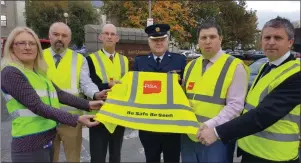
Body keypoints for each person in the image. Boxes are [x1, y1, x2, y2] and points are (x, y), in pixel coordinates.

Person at [197, 17, 301, 163]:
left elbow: (263, 115)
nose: (271, 42)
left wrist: (217, 132)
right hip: (252, 151)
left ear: (290, 42)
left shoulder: (296, 74)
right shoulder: (266, 67)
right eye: (267, 37)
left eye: (277, 38)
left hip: (275, 156)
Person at [1, 26, 103, 163]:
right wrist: (77, 119)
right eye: (21, 43)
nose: (27, 47)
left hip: (46, 138)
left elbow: (59, 94)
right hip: (29, 143)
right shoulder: (11, 72)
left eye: (32, 43)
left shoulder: (37, 73)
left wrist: (89, 103)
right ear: (12, 47)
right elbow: (37, 106)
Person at [181, 21, 248, 163]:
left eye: (212, 37)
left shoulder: (235, 66)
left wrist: (210, 127)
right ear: (198, 41)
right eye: (203, 38)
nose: (208, 41)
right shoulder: (190, 66)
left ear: (220, 39)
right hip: (188, 135)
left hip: (216, 137)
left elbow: (235, 107)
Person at [43, 22, 109, 162]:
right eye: (56, 34)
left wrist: (95, 94)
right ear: (49, 36)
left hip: (72, 119)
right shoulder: (38, 57)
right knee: (48, 159)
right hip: (45, 118)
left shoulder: (79, 59)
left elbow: (86, 83)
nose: (60, 38)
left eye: (64, 35)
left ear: (69, 39)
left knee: (73, 159)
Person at [133, 24, 187, 163]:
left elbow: (185, 89)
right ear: (149, 42)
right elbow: (136, 90)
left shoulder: (179, 60)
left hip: (172, 124)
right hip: (148, 124)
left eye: (162, 39)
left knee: (172, 159)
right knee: (151, 159)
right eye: (154, 40)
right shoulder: (140, 62)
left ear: (167, 40)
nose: (159, 43)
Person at [86, 23, 129, 163]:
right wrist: (106, 85)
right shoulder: (90, 59)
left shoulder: (124, 60)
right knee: (97, 157)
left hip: (118, 115)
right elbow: (89, 83)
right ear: (100, 37)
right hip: (99, 114)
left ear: (117, 38)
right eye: (106, 34)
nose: (109, 37)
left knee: (116, 156)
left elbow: (127, 86)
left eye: (112, 34)